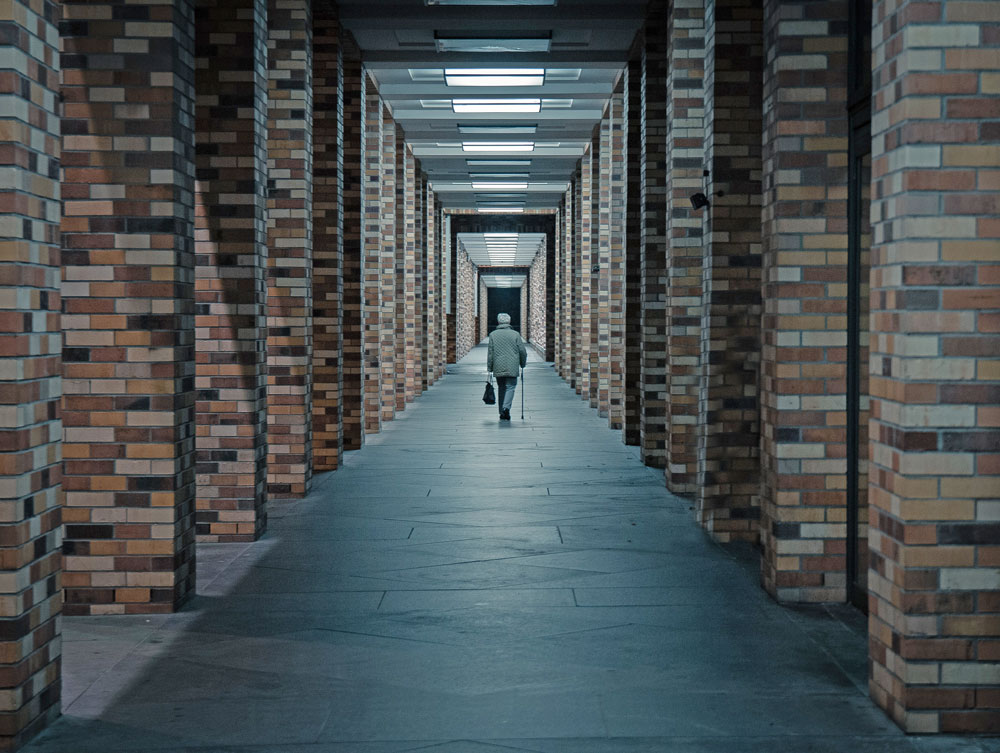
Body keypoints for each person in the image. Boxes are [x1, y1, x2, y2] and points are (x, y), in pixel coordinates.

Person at [486, 312, 527, 421]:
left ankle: (501, 412)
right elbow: (522, 351)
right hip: (512, 365)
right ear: (509, 322)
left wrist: (489, 367)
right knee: (511, 387)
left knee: (501, 388)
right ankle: (506, 408)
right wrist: (522, 363)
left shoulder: (493, 335)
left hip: (498, 365)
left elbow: (490, 353)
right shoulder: (515, 334)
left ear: (498, 322)